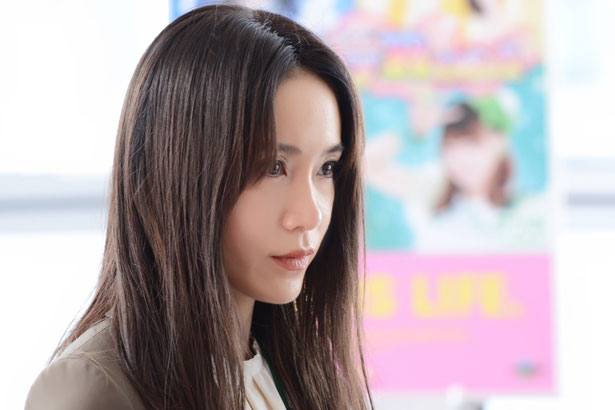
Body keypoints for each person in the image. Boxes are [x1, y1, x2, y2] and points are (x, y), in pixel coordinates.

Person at [25, 4, 373, 410]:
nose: (310, 216)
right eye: (273, 167)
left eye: (326, 168)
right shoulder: (91, 391)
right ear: (178, 172)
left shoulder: (299, 369)